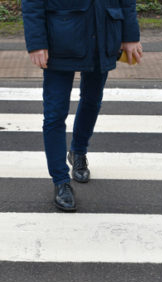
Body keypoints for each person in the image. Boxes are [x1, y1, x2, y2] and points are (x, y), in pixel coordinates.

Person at [22, 0, 143, 212]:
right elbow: (32, 4)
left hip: (103, 33)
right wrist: (36, 43)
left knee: (92, 100)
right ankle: (60, 181)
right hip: (59, 38)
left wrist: (130, 36)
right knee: (54, 113)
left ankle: (78, 151)